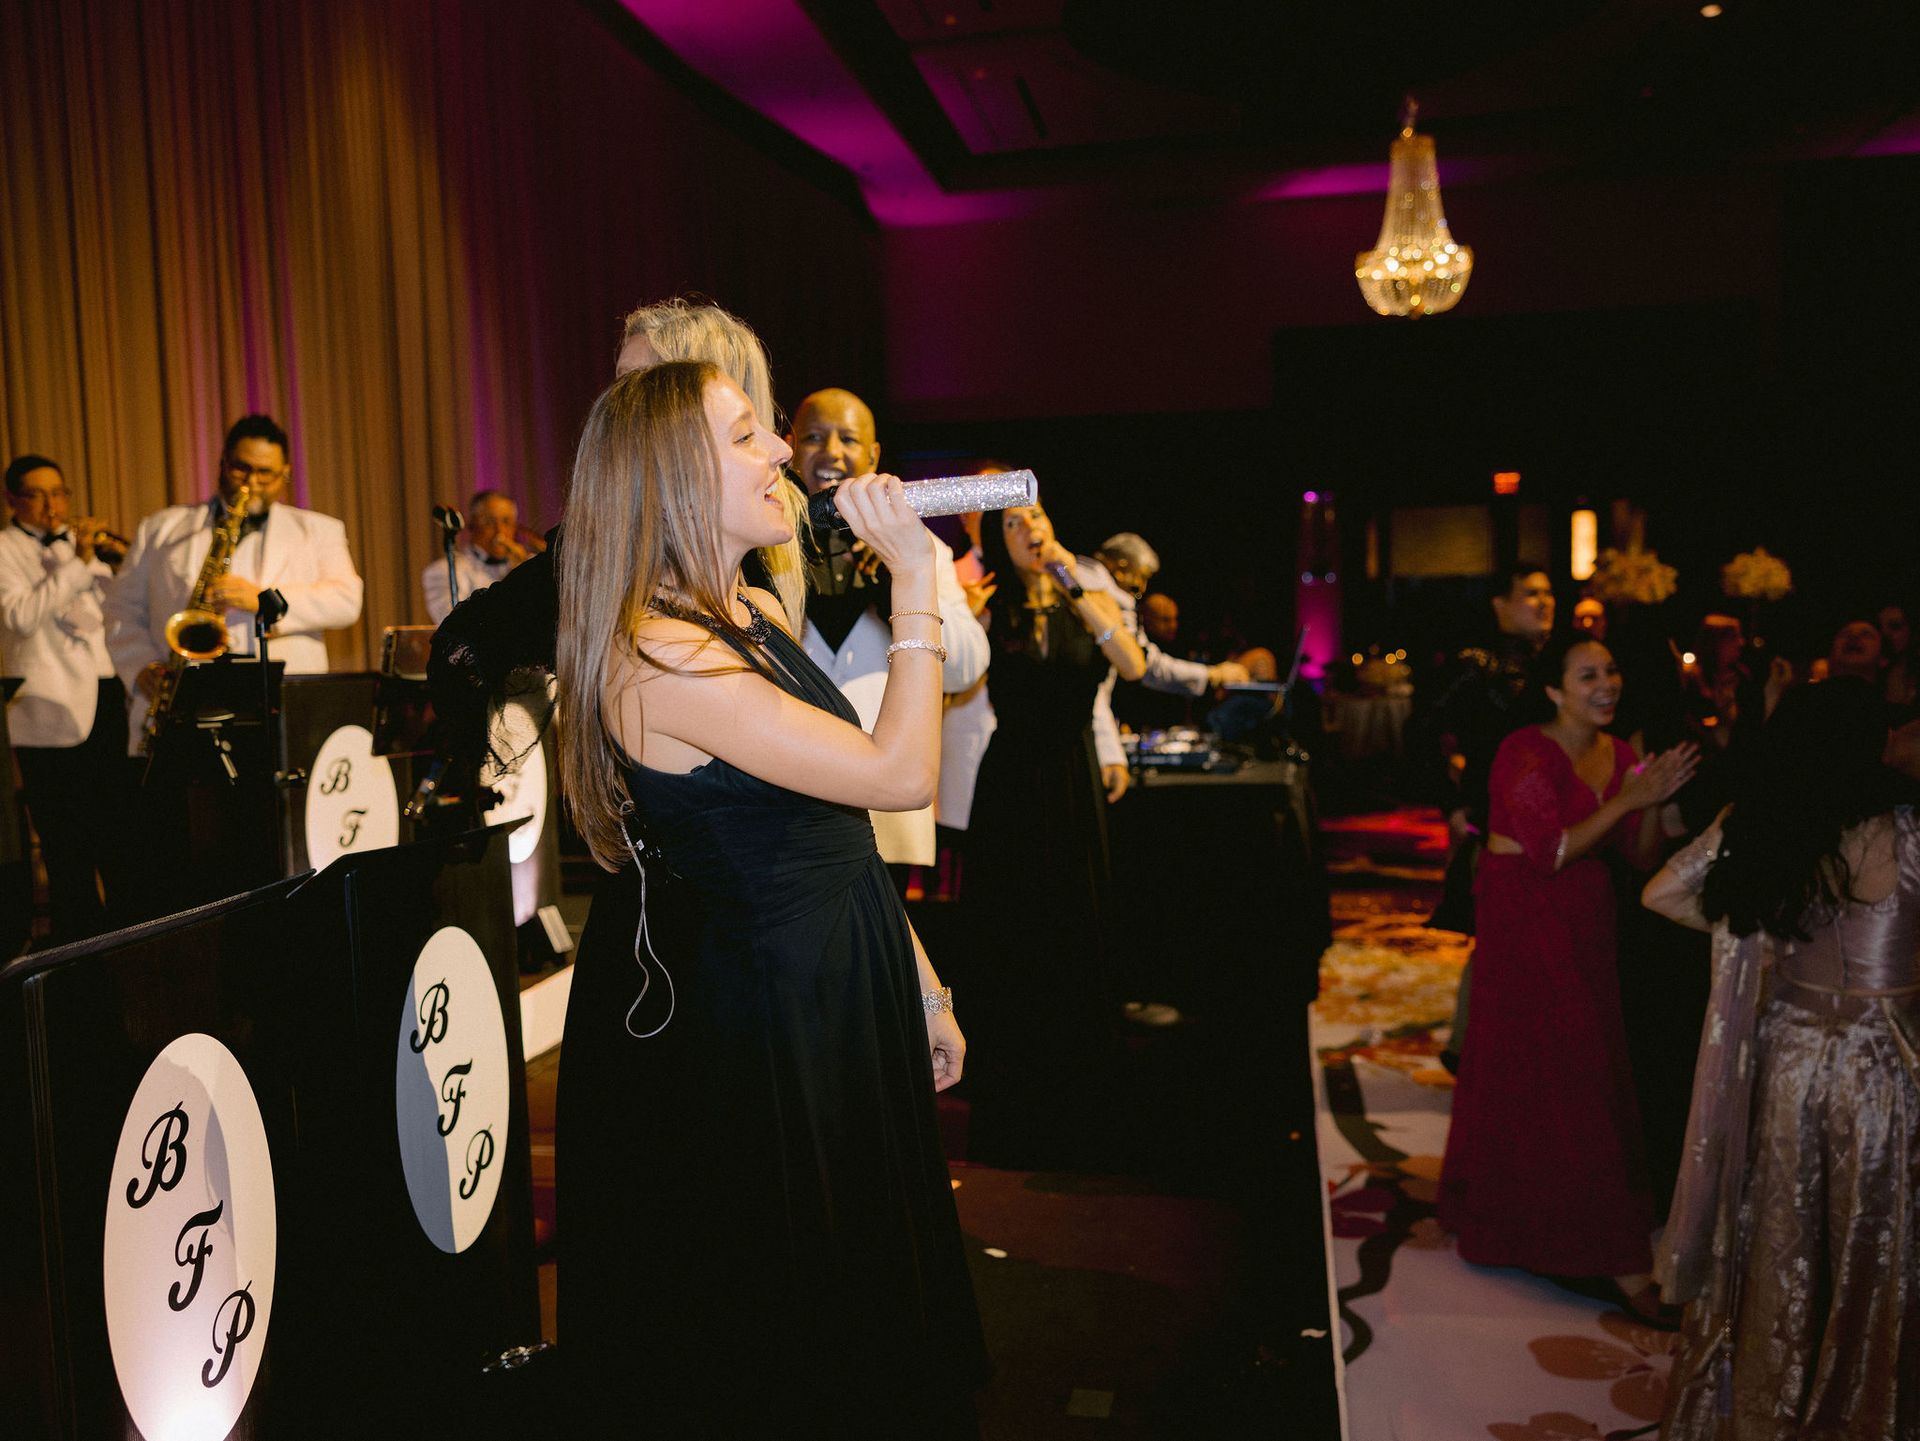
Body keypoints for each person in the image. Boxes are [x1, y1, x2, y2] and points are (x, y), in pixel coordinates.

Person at [553, 360, 982, 1433]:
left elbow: (836, 822)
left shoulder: (739, 606)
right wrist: (919, 587)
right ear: (676, 477)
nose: (783, 452)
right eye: (748, 436)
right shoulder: (658, 656)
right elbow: (898, 776)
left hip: (845, 970)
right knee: (802, 1315)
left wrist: (921, 980)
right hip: (777, 1013)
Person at [1643, 677, 1917, 1436]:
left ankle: (1774, 1400)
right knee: (1875, 1240)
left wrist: (1749, 931)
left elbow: (1660, 893)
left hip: (1790, 1057)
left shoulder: (1768, 822)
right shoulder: (1909, 829)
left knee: (1783, 1238)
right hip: (1886, 1063)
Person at [1436, 632, 1696, 1321]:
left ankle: (1525, 1215)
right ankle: (1623, 1265)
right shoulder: (1524, 748)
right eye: (1587, 675)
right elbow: (1548, 851)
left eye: (1610, 670)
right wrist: (1626, 799)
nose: (1607, 683)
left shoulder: (1624, 754)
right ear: (1554, 690)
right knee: (1561, 1069)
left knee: (1570, 1068)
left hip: (1588, 918)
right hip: (1525, 915)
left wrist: (1655, 805)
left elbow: (1638, 859)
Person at [963, 501, 1149, 1162]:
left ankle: (1085, 1086)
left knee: (1079, 919)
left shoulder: (1090, 597)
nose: (1027, 529)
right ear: (999, 543)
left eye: (1033, 517)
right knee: (1014, 924)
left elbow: (1131, 666)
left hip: (1073, 778)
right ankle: (1013, 1086)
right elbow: (955, 676)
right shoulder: (989, 608)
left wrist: (1074, 581)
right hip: (1013, 781)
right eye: (1011, 524)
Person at [787, 387, 988, 872]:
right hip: (788, 796)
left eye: (848, 439)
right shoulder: (762, 549)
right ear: (790, 448)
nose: (831, 451)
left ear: (874, 454)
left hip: (884, 809)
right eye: (814, 436)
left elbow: (966, 668)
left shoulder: (920, 549)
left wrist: (898, 583)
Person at [104, 414, 363, 751]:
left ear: (285, 473)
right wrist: (141, 667)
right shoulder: (160, 529)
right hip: (185, 698)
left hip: (277, 703)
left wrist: (262, 600)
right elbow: (120, 609)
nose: (250, 482)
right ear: (222, 464)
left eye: (265, 473)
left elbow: (347, 600)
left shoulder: (319, 530)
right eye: (241, 468)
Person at [0, 454, 130, 942]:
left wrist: (97, 565)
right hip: (49, 713)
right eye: (38, 493)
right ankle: (77, 951)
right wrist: (76, 564)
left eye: (60, 492)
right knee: (65, 842)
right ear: (12, 499)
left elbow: (103, 618)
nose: (53, 504)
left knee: (115, 834)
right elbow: (20, 616)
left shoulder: (80, 551)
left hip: (105, 697)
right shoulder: (5, 549)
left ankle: (126, 940)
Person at [420, 488, 541, 623]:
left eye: (506, 521)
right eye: (489, 522)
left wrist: (525, 574)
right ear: (473, 525)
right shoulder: (444, 571)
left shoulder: (530, 564)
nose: (499, 531)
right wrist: (514, 579)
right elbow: (453, 625)